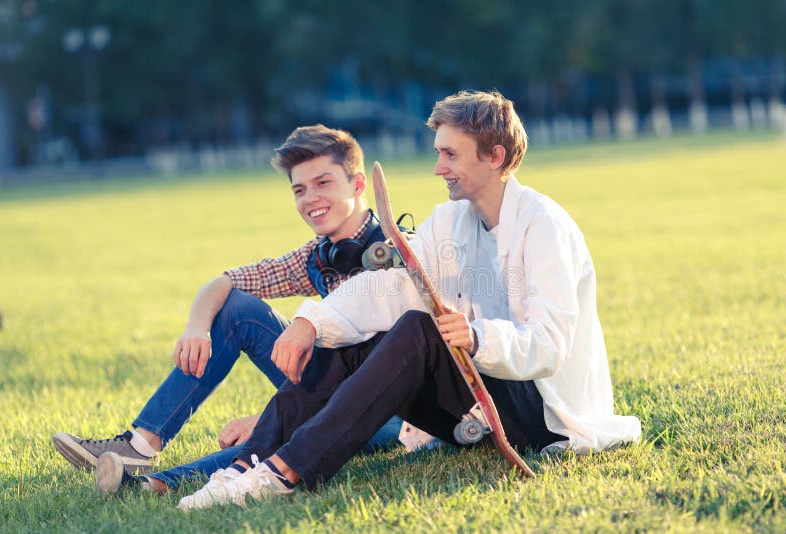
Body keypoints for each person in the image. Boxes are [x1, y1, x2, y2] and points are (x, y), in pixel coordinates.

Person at [174, 90, 642, 511]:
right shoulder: (451, 221)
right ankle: (244, 467)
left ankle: (286, 472)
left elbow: (550, 343)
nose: (438, 167)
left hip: (543, 413)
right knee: (357, 342)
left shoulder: (544, 226)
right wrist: (313, 321)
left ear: (494, 156)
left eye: (449, 154)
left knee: (420, 331)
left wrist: (478, 337)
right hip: (476, 400)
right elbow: (393, 287)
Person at [52, 124, 416, 493]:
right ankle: (140, 444)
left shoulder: (398, 255)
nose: (310, 199)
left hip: (392, 415)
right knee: (237, 309)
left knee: (286, 432)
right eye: (300, 190)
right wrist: (197, 327)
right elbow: (224, 282)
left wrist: (267, 418)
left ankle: (152, 485)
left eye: (323, 183)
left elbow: (383, 373)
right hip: (325, 389)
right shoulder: (319, 255)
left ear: (357, 185)